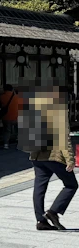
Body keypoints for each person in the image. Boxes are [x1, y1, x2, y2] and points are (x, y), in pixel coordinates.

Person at [25, 87, 76, 230]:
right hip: (53, 156)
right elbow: (64, 139)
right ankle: (53, 212)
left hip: (37, 156)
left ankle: (40, 221)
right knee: (71, 184)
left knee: (39, 187)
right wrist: (70, 160)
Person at [1, 83, 24, 149]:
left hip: (6, 117)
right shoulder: (17, 97)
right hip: (16, 117)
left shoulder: (1, 97)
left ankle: (6, 145)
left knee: (7, 131)